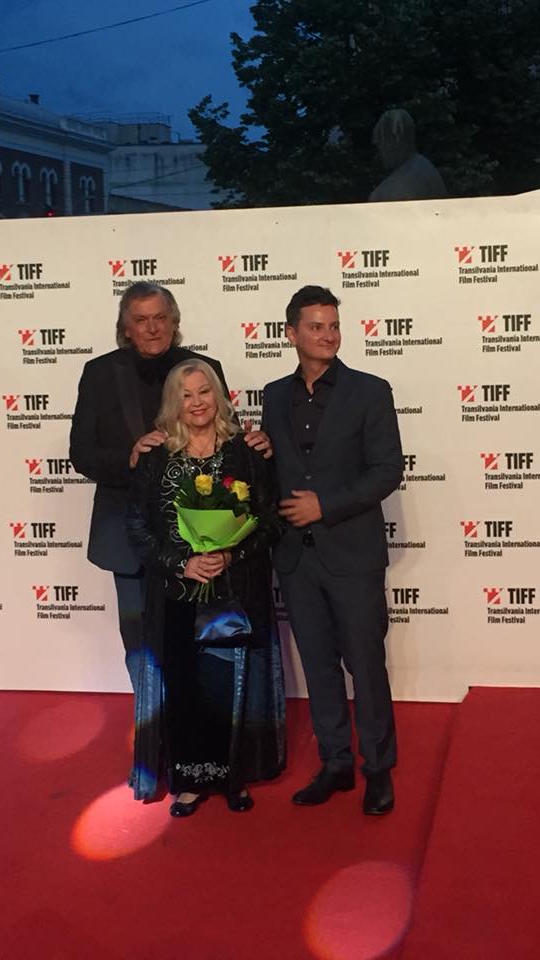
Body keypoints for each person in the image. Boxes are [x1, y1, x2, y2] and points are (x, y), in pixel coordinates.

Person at [69, 282, 269, 692]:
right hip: (129, 539)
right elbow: (82, 454)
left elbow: (227, 444)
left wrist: (257, 443)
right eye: (141, 320)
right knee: (141, 643)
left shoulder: (204, 367)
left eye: (160, 318)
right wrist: (130, 457)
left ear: (175, 322)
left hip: (201, 541)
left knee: (202, 642)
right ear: (126, 328)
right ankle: (151, 723)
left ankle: (194, 725)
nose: (152, 327)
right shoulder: (100, 373)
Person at [261, 285, 404, 815]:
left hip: (352, 554)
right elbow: (276, 466)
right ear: (291, 333)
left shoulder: (370, 391)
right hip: (296, 559)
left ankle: (378, 769)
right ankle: (336, 763)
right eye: (316, 326)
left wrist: (326, 505)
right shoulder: (274, 396)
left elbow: (387, 470)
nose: (328, 335)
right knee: (319, 666)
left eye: (334, 326)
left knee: (365, 667)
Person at [125, 359, 285, 813]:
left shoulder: (246, 452)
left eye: (204, 392)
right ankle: (191, 780)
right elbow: (137, 527)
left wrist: (231, 555)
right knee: (185, 685)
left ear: (219, 395)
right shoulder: (156, 455)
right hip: (176, 592)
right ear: (173, 403)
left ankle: (235, 776)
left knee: (231, 684)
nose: (197, 403)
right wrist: (182, 564)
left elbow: (270, 521)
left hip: (235, 587)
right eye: (186, 395)